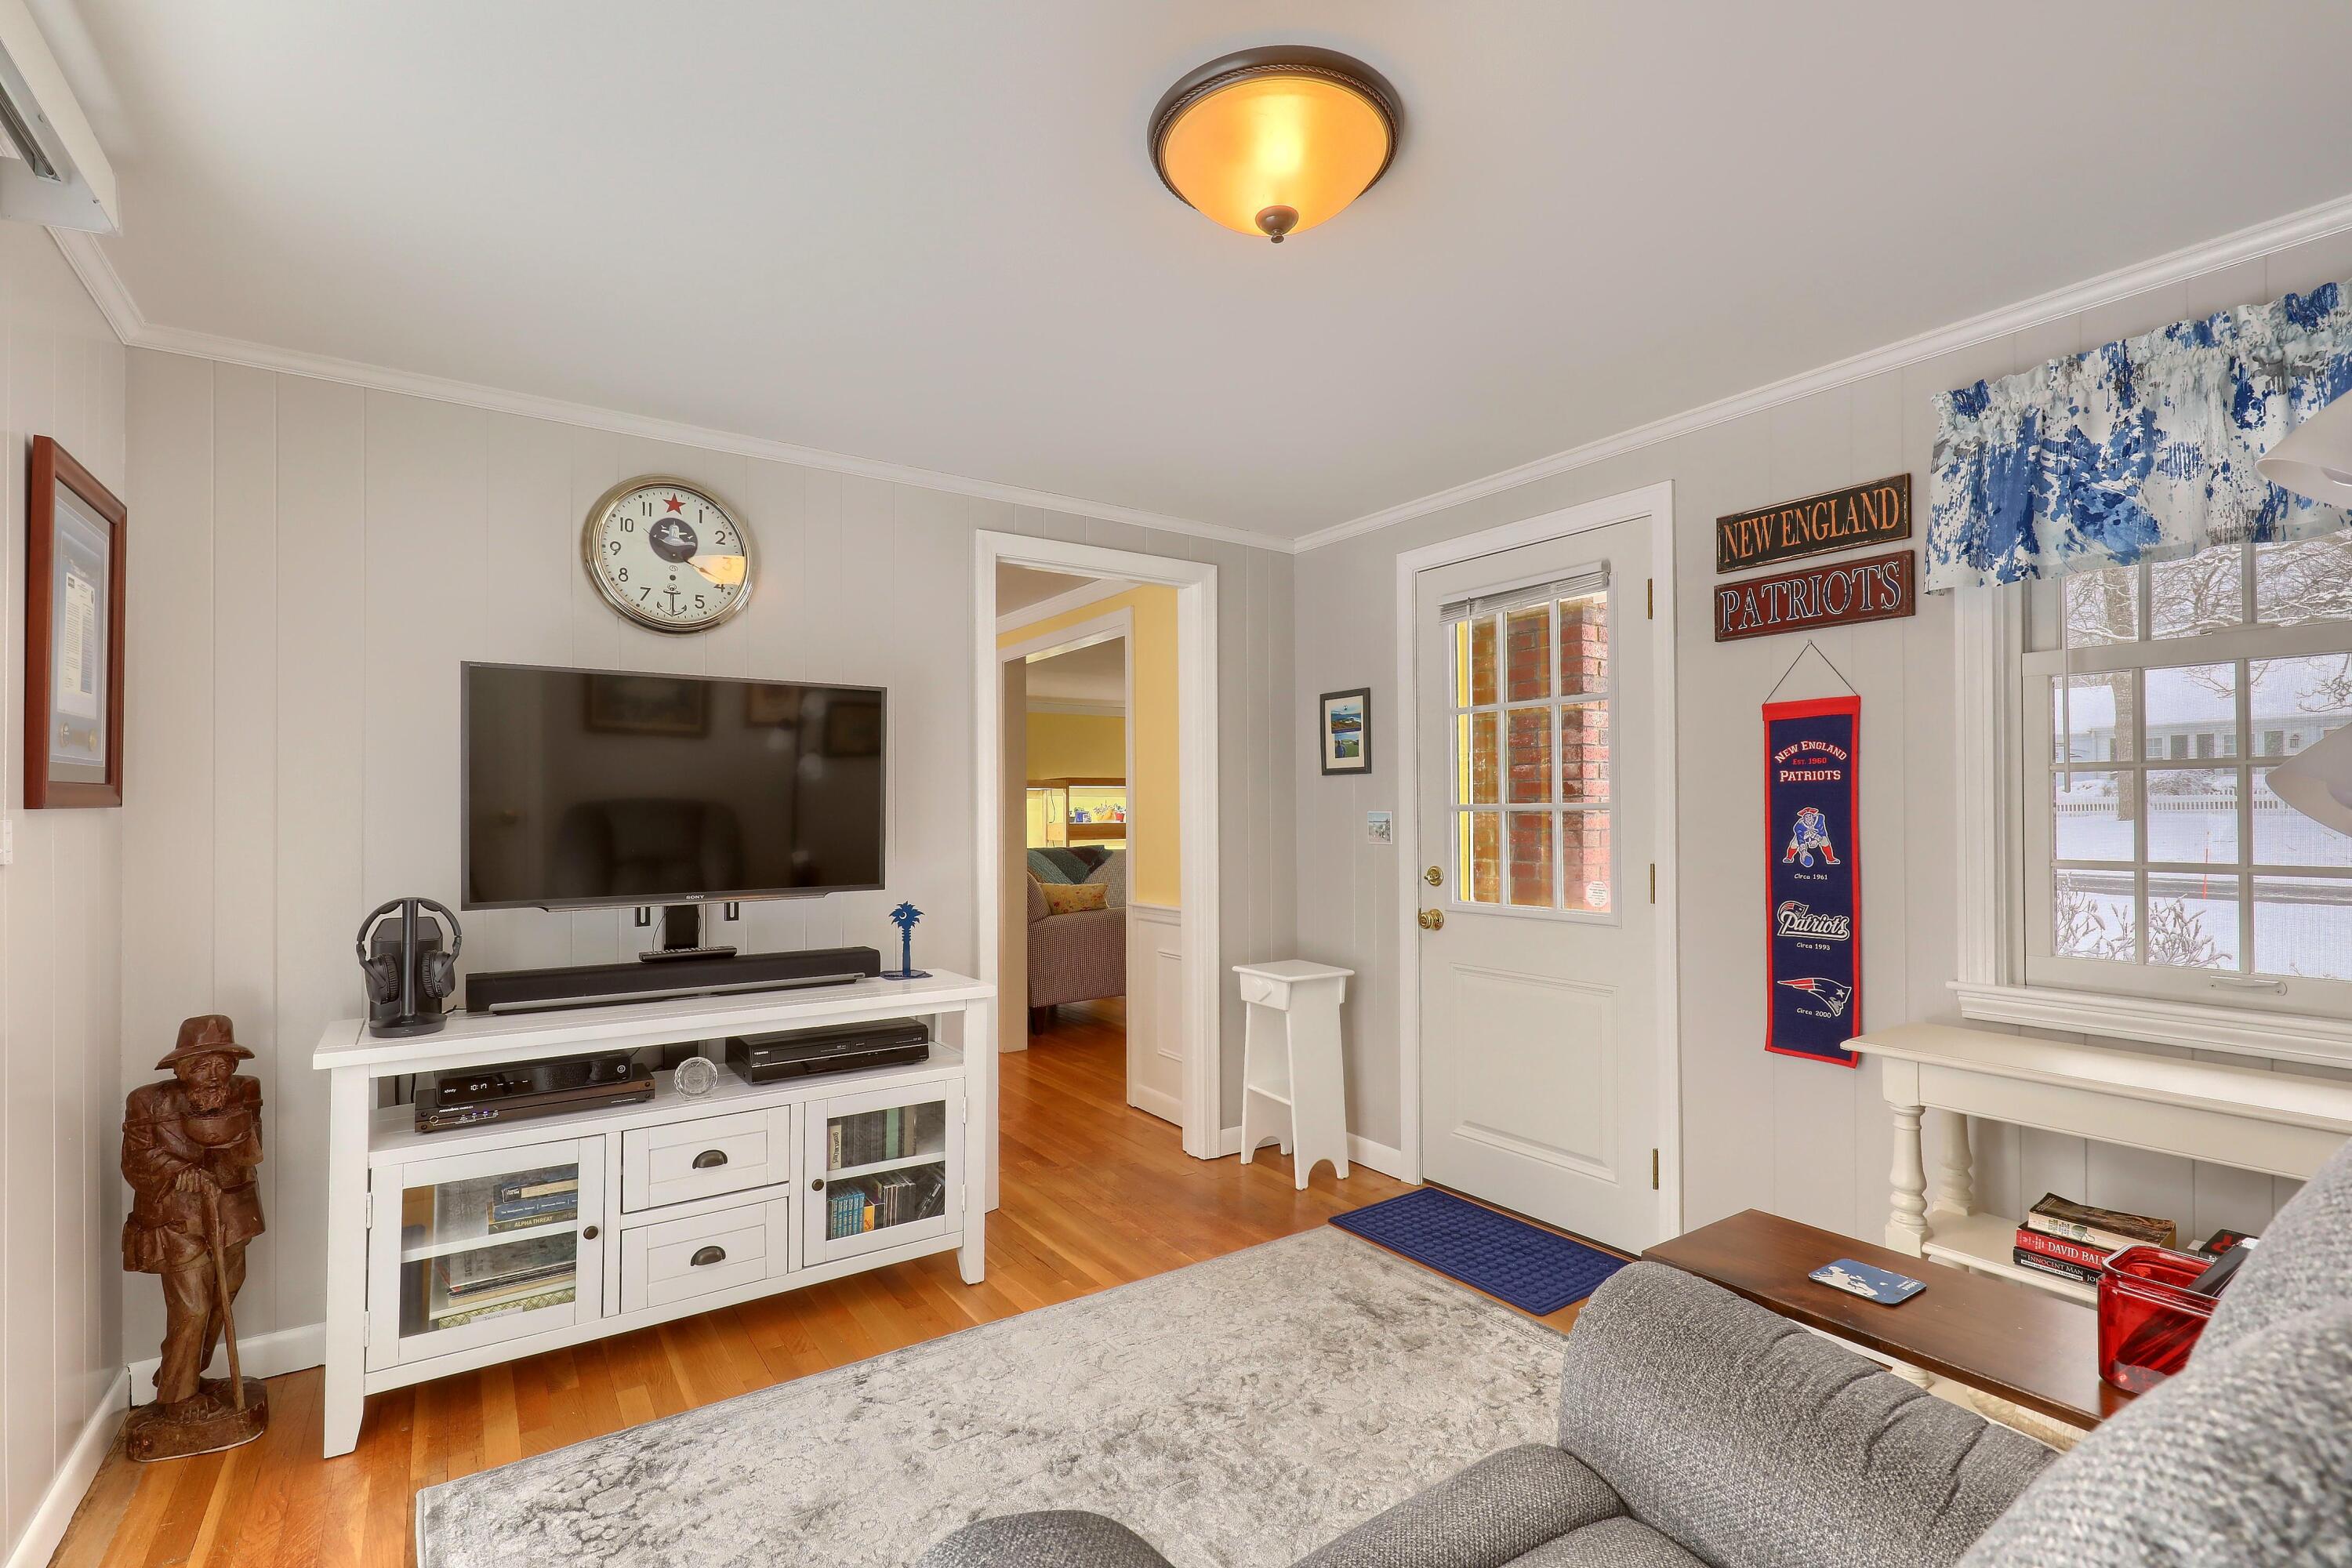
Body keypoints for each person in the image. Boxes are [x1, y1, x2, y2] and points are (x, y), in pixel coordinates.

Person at [122, 1014, 265, 1411]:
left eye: (222, 1064)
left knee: (224, 1294)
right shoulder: (147, 1101)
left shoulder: (245, 1091)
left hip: (233, 1210)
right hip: (176, 1218)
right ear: (182, 1069)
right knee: (193, 1307)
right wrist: (177, 1171)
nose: (214, 1075)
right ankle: (177, 1398)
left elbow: (253, 1150)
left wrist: (233, 1137)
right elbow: (134, 1160)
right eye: (202, 1065)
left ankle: (181, 1375)